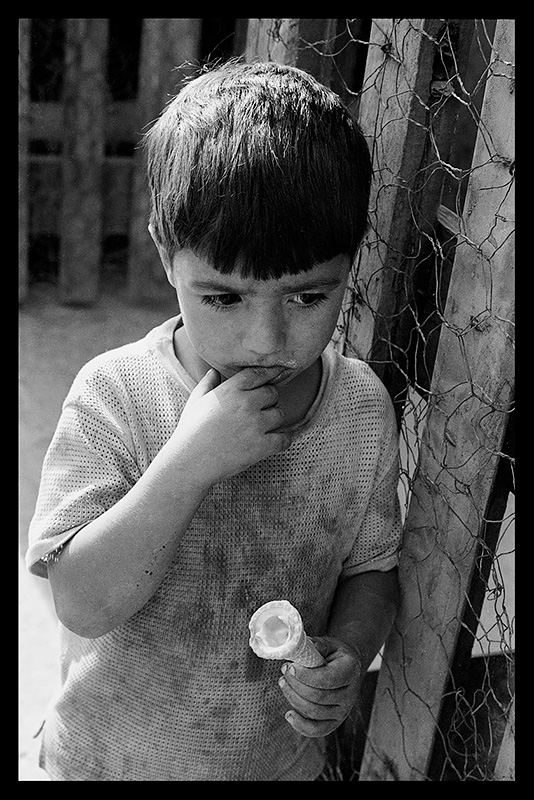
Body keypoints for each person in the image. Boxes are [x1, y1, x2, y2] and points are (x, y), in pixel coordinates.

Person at [26, 60, 402, 782]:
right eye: (224, 298)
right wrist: (187, 465)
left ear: (349, 269)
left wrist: (349, 652)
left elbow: (373, 569)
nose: (265, 341)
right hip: (105, 765)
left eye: (305, 298)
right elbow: (81, 604)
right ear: (168, 260)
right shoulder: (118, 397)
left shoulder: (357, 414)